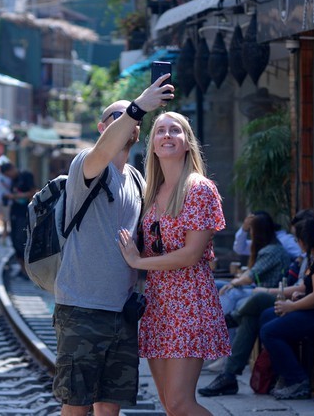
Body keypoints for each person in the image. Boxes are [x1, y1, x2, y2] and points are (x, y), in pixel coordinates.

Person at [53, 75, 174, 416]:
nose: (127, 122)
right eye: (117, 117)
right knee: (76, 404)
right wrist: (136, 108)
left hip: (122, 311)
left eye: (131, 119)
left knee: (109, 406)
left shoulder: (136, 179)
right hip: (82, 307)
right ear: (101, 127)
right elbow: (106, 147)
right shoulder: (87, 166)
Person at [117, 111, 229, 416]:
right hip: (158, 304)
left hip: (189, 300)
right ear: (152, 144)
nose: (167, 135)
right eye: (160, 130)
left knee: (181, 403)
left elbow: (192, 254)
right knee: (169, 406)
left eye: (175, 130)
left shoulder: (199, 189)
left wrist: (138, 261)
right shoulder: (150, 192)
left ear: (187, 143)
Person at [198, 209, 314, 396]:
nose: (296, 243)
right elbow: (241, 248)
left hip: (293, 301)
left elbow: (307, 289)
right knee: (250, 314)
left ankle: (229, 324)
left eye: (297, 238)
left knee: (255, 298)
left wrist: (270, 292)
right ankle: (229, 374)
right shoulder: (305, 257)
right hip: (287, 297)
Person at [258, 216, 314, 400]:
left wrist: (291, 306)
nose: (297, 243)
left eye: (297, 239)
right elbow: (313, 290)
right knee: (267, 316)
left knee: (270, 332)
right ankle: (284, 372)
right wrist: (299, 297)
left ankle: (298, 380)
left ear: (305, 240)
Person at [218, 211, 293, 315]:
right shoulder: (268, 248)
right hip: (257, 288)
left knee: (230, 292)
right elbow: (250, 270)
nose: (250, 233)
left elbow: (249, 277)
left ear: (258, 232)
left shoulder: (271, 251)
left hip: (267, 291)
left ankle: (219, 324)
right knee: (217, 284)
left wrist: (233, 283)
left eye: (251, 229)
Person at [233, 211, 303, 261]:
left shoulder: (285, 241)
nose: (251, 233)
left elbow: (303, 257)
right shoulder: (264, 243)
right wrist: (244, 229)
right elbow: (239, 248)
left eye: (252, 229)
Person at [5, 169, 37, 278]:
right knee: (15, 242)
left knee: (22, 241)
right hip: (15, 213)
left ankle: (28, 271)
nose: (9, 176)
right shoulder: (13, 181)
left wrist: (15, 196)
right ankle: (23, 269)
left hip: (25, 214)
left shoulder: (26, 176)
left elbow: (33, 192)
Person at [0, 160, 14, 243]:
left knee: (5, 220)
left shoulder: (9, 177)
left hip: (6, 201)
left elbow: (11, 188)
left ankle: (3, 238)